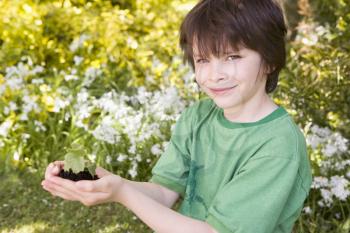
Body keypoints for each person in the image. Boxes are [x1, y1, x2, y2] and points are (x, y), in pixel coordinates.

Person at [41, 0, 313, 232]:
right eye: (203, 60)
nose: (214, 74)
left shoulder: (278, 146)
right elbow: (162, 193)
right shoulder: (198, 117)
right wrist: (106, 182)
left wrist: (122, 194)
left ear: (270, 59)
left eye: (232, 57)